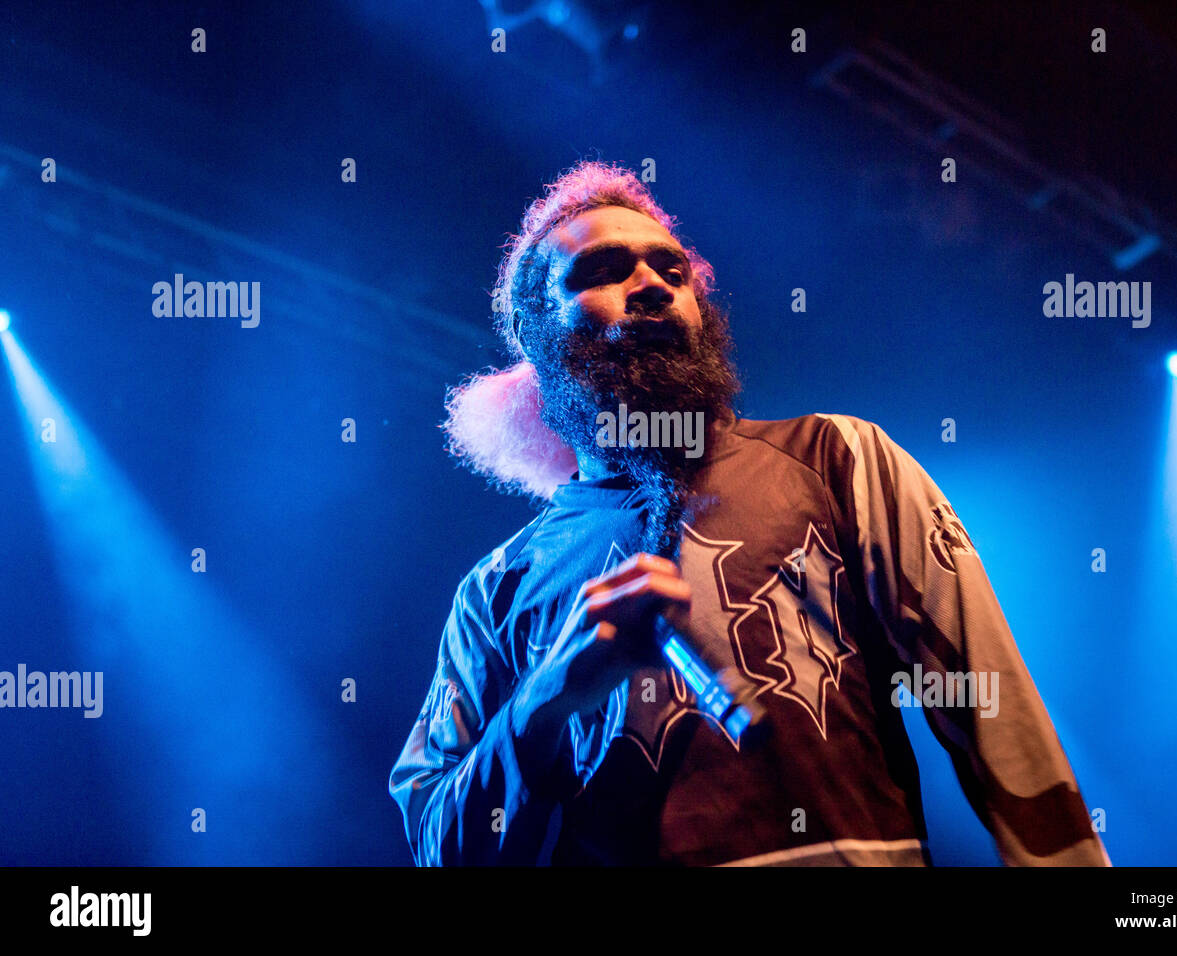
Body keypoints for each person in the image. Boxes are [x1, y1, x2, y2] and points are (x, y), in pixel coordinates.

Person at [389, 160, 1110, 867]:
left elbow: (991, 706)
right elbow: (438, 843)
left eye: (674, 272)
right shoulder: (498, 589)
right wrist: (544, 699)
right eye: (605, 270)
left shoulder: (841, 460)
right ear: (532, 327)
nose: (653, 287)